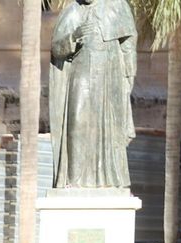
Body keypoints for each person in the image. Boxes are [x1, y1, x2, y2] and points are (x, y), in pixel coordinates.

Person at [49, 0, 137, 189]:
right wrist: (73, 37)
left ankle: (110, 180)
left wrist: (129, 75)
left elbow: (128, 44)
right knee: (77, 123)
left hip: (110, 74)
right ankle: (74, 179)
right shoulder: (72, 11)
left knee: (109, 129)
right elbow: (56, 49)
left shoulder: (117, 6)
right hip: (80, 73)